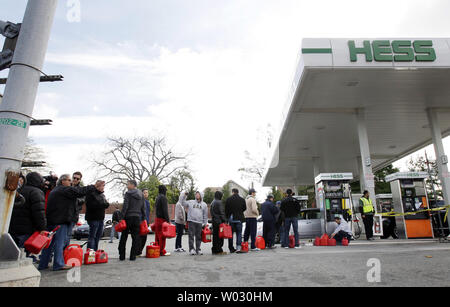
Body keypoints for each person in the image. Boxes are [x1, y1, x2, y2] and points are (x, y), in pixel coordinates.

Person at [38, 174, 104, 271]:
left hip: (52, 220)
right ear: (63, 181)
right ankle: (59, 264)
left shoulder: (55, 191)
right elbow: (80, 191)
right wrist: (94, 186)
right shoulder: (64, 190)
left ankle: (43, 264)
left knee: (49, 244)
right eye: (69, 180)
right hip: (61, 221)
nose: (71, 182)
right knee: (60, 243)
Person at [9, 172, 47, 261]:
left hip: (13, 228)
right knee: (23, 255)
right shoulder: (36, 192)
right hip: (27, 229)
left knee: (13, 255)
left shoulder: (18, 190)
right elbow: (39, 212)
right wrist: (42, 228)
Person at [118, 180, 146, 261]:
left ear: (133, 185)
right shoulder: (141, 194)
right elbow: (143, 207)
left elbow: (125, 206)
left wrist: (121, 217)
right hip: (137, 218)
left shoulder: (128, 193)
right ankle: (132, 256)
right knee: (136, 237)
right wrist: (143, 218)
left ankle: (122, 256)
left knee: (124, 236)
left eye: (128, 184)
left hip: (128, 217)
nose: (127, 186)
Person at [179, 191, 208, 255]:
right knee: (191, 236)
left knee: (199, 237)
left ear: (201, 195)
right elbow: (182, 203)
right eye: (196, 194)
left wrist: (205, 223)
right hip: (191, 221)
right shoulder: (191, 202)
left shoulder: (204, 205)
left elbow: (205, 215)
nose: (197, 195)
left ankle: (198, 249)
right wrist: (184, 196)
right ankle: (191, 249)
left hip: (199, 222)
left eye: (198, 194)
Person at [85, 185, 109, 251]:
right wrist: (102, 204)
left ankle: (94, 252)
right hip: (93, 218)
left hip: (101, 218)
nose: (103, 188)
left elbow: (106, 204)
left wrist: (104, 204)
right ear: (97, 186)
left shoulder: (102, 195)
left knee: (98, 236)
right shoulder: (91, 194)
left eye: (104, 186)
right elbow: (91, 205)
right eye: (101, 186)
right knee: (92, 236)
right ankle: (90, 252)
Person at [65, 171, 85, 249]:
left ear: (80, 180)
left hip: (73, 215)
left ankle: (64, 253)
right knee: (59, 235)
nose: (75, 180)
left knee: (68, 235)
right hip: (63, 214)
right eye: (74, 178)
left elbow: (82, 200)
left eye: (77, 178)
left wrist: (74, 199)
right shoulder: (66, 186)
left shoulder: (81, 190)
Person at [225, 188, 246, 253]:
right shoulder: (242, 199)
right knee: (239, 233)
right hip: (239, 219)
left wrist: (227, 218)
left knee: (230, 234)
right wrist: (239, 212)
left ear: (232, 192)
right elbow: (244, 208)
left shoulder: (228, 199)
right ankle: (238, 248)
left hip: (231, 219)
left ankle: (231, 248)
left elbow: (226, 210)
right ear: (238, 192)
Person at [154, 185, 171, 256]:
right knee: (162, 236)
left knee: (157, 235)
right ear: (164, 190)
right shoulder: (163, 198)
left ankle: (157, 249)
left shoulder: (157, 197)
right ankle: (161, 251)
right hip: (162, 220)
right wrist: (168, 220)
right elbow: (165, 210)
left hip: (157, 219)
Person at [210, 191, 227, 255]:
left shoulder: (212, 202)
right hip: (219, 222)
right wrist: (224, 220)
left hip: (214, 221)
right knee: (220, 236)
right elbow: (221, 212)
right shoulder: (219, 202)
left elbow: (211, 212)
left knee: (215, 236)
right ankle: (219, 250)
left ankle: (214, 249)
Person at [138, 189, 151, 256]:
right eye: (144, 193)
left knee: (144, 237)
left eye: (147, 192)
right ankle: (138, 251)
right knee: (140, 237)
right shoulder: (139, 201)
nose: (146, 194)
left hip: (146, 222)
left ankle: (140, 251)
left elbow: (148, 213)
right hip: (141, 221)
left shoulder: (147, 202)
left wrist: (148, 222)